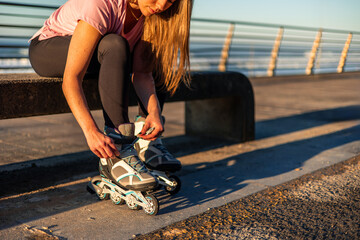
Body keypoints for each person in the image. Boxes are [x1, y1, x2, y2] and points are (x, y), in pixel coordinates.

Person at [29, 0, 192, 190]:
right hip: (47, 48)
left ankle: (147, 140)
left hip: (102, 54)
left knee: (158, 57)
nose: (162, 5)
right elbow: (71, 79)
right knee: (115, 43)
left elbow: (143, 74)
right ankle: (117, 151)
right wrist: (91, 131)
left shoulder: (152, 16)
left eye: (171, 0)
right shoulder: (102, 4)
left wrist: (153, 113)